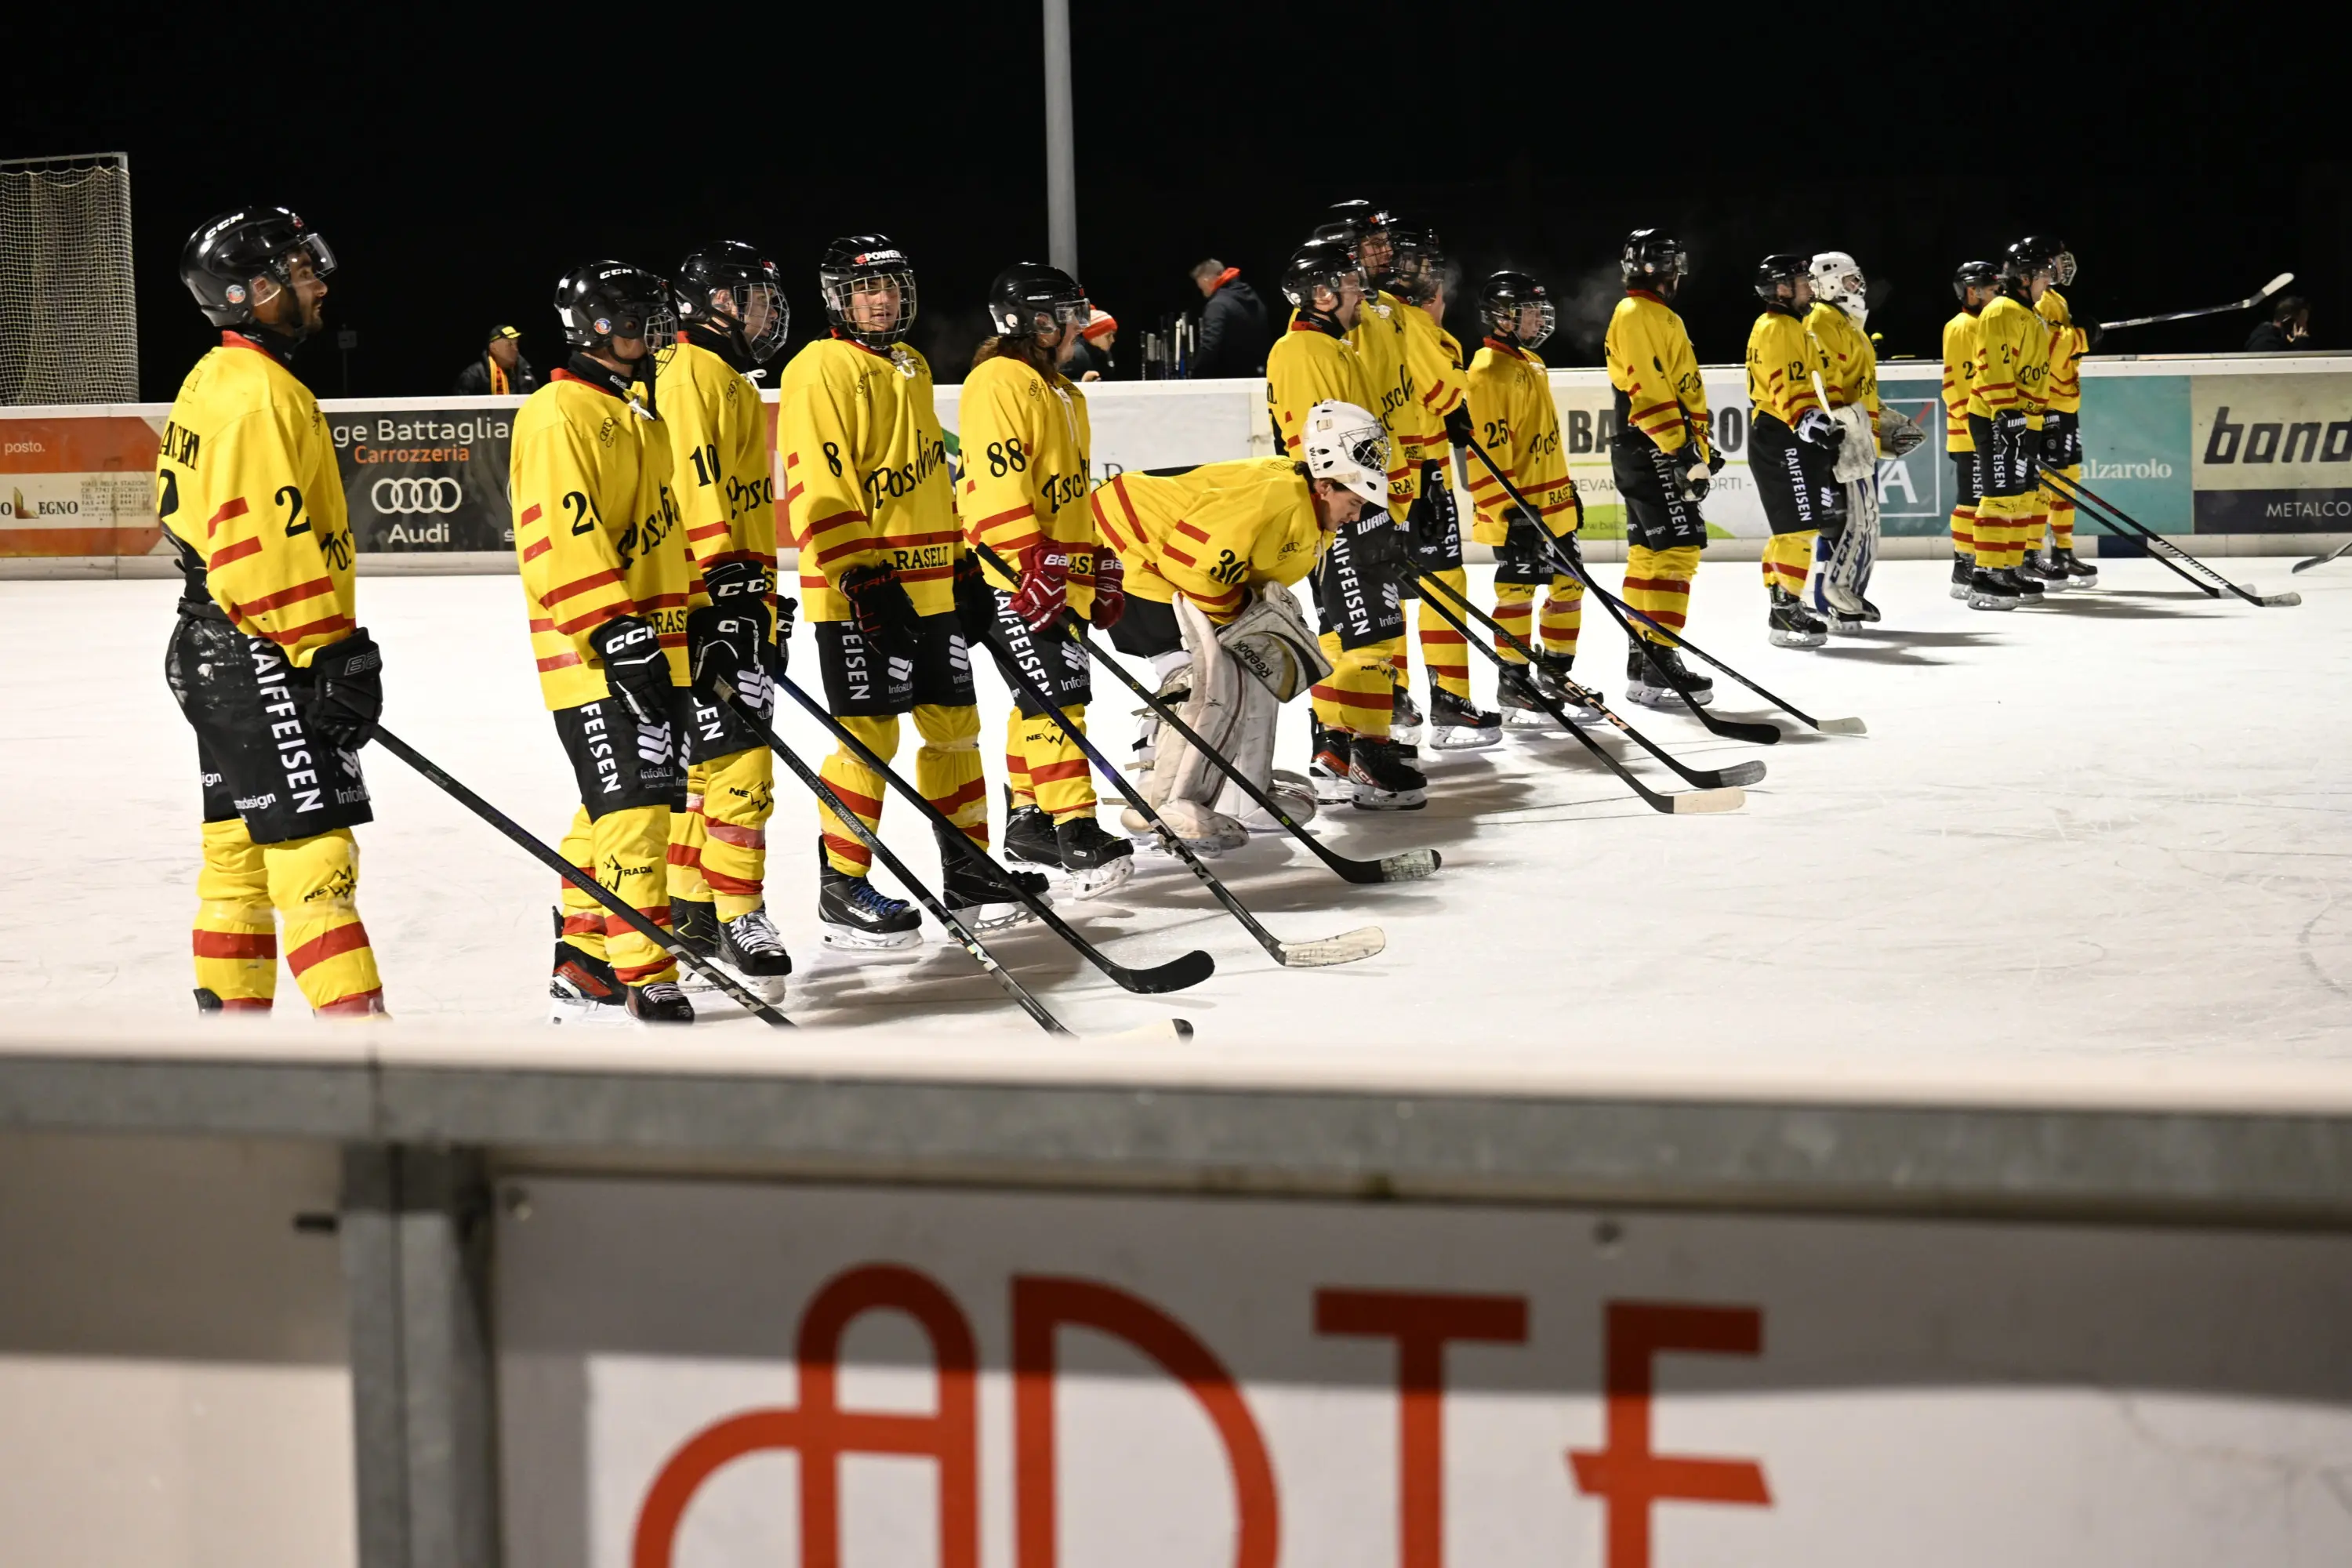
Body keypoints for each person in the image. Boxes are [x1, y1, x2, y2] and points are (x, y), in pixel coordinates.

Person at [775, 234, 1045, 947]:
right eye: (868, 289)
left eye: (892, 286)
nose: (883, 299)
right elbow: (820, 487)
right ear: (839, 297)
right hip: (862, 593)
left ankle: (971, 872)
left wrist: (960, 561)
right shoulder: (819, 367)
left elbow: (928, 480)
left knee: (955, 732)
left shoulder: (910, 364)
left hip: (931, 588)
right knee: (868, 736)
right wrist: (860, 574)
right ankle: (842, 888)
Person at [160, 205, 388, 1018]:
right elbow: (265, 549)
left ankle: (231, 1052)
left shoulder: (213, 376)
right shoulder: (261, 396)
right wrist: (330, 653)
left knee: (238, 855)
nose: (316, 281)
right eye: (298, 271)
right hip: (262, 646)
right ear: (253, 292)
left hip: (213, 643)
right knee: (314, 850)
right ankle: (368, 1059)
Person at [512, 262, 695, 1024]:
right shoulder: (561, 413)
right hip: (595, 654)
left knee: (612, 808)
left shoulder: (635, 410)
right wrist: (618, 635)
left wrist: (702, 615)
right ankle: (647, 966)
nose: (654, 331)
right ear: (595, 328)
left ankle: (586, 957)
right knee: (633, 814)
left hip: (653, 642)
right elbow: (561, 540)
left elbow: (662, 535)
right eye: (639, 317)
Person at [1093, 404, 1383, 838]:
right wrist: (1242, 619)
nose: (1356, 516)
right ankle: (1157, 798)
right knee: (1193, 675)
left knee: (1250, 668)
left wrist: (1253, 622)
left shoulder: (1308, 504)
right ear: (1324, 485)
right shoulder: (1277, 497)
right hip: (1131, 548)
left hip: (1165, 559)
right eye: (1353, 502)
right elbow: (1190, 565)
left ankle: (1241, 793)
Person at [960, 262, 1134, 894]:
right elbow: (998, 480)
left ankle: (1031, 820)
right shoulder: (998, 381)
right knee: (1058, 697)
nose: (1075, 324)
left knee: (1035, 698)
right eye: (1065, 313)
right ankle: (1076, 825)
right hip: (1016, 571)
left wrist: (1096, 560)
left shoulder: (1064, 391)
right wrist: (1026, 561)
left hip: (1055, 570)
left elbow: (1065, 492)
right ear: (1035, 320)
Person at [657, 241, 797, 1001]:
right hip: (706, 606)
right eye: (753, 298)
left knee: (705, 772)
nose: (765, 313)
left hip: (728, 600)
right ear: (712, 303)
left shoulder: (725, 379)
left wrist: (761, 599)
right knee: (739, 767)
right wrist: (725, 597)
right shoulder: (688, 376)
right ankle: (740, 911)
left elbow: (739, 509)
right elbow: (693, 497)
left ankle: (694, 913)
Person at [1265, 233, 1424, 809]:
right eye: (1353, 285)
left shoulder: (1332, 347)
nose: (1362, 293)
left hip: (1353, 503)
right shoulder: (1302, 351)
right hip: (1345, 506)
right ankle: (1369, 755)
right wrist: (1366, 507)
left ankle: (1336, 747)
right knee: (1369, 632)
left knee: (1344, 630)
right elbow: (1320, 446)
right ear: (1324, 295)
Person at [1389, 228, 1501, 747]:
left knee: (1391, 591)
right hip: (1416, 471)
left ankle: (1395, 701)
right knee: (1440, 586)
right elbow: (1443, 390)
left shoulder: (1379, 317)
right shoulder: (1408, 321)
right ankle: (1444, 701)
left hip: (1390, 471)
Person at [1466, 270, 1590, 728]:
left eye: (1540, 310)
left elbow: (1543, 440)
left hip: (1553, 508)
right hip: (1520, 513)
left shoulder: (1531, 364)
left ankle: (1556, 676)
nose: (1539, 320)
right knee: (1516, 592)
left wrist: (1567, 490)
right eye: (1530, 311)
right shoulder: (1485, 372)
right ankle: (1515, 683)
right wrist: (1509, 515)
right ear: (1502, 316)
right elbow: (1487, 456)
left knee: (1571, 587)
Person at [1606, 230, 1717, 706]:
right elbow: (1649, 391)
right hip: (1653, 446)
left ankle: (1644, 660)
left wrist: (1695, 447)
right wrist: (1681, 451)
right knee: (1677, 550)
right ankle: (1661, 663)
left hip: (1649, 446)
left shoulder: (1651, 314)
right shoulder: (1638, 314)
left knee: (1649, 555)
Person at [1744, 254, 1840, 650]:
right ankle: (1786, 611)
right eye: (1802, 280)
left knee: (1794, 528)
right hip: (1783, 433)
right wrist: (1807, 420)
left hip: (1785, 431)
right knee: (1797, 528)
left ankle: (1783, 605)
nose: (1809, 286)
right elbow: (1785, 384)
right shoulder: (1779, 327)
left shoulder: (1784, 326)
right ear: (1781, 288)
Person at [1963, 238, 2057, 611]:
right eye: (2043, 273)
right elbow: (1992, 365)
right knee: (1999, 494)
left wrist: (2041, 411)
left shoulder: (2027, 312)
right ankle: (1985, 575)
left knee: (2022, 496)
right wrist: (2006, 412)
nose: (2048, 280)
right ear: (2025, 276)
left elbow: (2032, 370)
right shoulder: (2001, 311)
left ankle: (2009, 565)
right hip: (1997, 416)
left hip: (2023, 416)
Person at [1804, 250, 1890, 628]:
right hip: (1844, 438)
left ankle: (1844, 595)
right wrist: (1845, 429)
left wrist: (1880, 414)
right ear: (1831, 283)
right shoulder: (1824, 321)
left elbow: (1859, 383)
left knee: (1859, 522)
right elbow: (1826, 386)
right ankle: (1831, 603)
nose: (1858, 286)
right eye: (1851, 279)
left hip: (1860, 436)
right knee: (1844, 522)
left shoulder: (1846, 322)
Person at [2028, 238, 2096, 587]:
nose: (2063, 264)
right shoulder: (2037, 301)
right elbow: (2049, 350)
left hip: (2066, 403)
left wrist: (2078, 337)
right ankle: (2032, 553)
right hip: (2049, 404)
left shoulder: (2055, 298)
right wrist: (2082, 337)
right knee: (2045, 483)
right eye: (2055, 259)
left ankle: (2063, 551)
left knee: (2067, 480)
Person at [1943, 260, 1999, 599]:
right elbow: (1957, 385)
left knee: (1986, 498)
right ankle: (1964, 565)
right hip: (1971, 433)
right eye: (1991, 289)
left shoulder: (1987, 324)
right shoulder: (1962, 327)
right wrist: (1977, 430)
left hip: (1984, 430)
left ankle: (1978, 562)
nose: (1997, 294)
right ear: (1972, 291)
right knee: (1971, 500)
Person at [1190, 257, 1271, 379]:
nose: (1204, 293)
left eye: (1202, 288)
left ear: (1206, 280)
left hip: (1229, 381)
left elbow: (1210, 344)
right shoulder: (1253, 297)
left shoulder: (1217, 305)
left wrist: (1196, 378)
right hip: (1259, 375)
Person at [454, 324, 537, 395]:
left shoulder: (525, 374)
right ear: (493, 348)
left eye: (516, 344)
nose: (515, 349)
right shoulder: (473, 375)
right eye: (509, 344)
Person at [1062, 309, 1116, 380]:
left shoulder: (1104, 353)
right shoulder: (1073, 355)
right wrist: (1082, 382)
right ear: (1093, 335)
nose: (1113, 340)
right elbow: (1056, 384)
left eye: (1113, 335)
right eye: (1108, 336)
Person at [2245, 296, 2310, 353]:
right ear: (2288, 320)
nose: (2305, 327)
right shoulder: (2266, 344)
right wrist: (2300, 346)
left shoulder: (2279, 341)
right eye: (2303, 321)